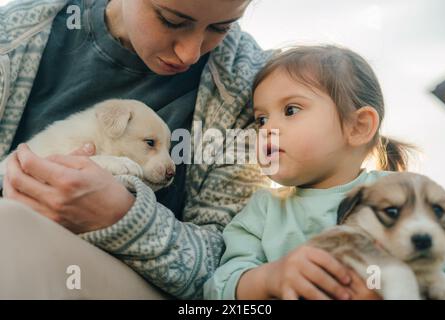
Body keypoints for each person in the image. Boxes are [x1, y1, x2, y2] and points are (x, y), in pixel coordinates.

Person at [0, 0, 272, 299]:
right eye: (171, 20)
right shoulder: (13, 35)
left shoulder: (253, 86)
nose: (190, 53)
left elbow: (229, 272)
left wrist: (121, 217)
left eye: (220, 28)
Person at [204, 45, 416, 300]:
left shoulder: (405, 199)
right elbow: (219, 289)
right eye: (261, 120)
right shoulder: (262, 211)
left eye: (291, 110)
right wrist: (270, 278)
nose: (268, 129)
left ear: (357, 126)